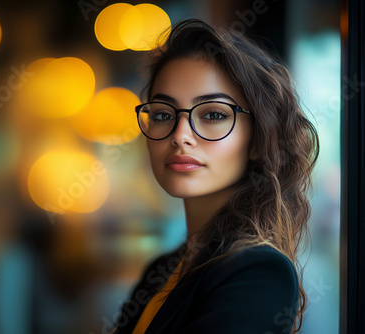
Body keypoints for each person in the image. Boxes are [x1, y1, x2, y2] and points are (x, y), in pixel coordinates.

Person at [112, 19, 319, 334]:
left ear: (256, 140)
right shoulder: (162, 270)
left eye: (213, 115)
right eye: (163, 115)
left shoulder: (257, 273)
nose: (180, 136)